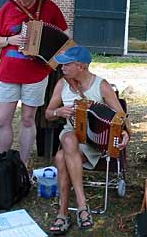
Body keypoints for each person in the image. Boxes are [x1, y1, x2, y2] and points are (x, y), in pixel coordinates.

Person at [45, 46, 130, 234]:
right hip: (70, 132)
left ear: (81, 66)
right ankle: (82, 206)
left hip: (94, 141)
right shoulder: (62, 85)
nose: (62, 67)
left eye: (67, 64)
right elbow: (48, 114)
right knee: (68, 140)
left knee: (60, 158)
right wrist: (58, 112)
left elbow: (121, 115)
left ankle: (63, 214)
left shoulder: (101, 85)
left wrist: (125, 133)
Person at [0, 0, 68, 166]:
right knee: (1, 120)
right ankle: (2, 164)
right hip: (8, 73)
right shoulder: (7, 8)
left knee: (27, 119)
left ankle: (23, 166)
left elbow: (66, 36)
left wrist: (52, 56)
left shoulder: (49, 8)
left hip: (36, 74)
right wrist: (9, 40)